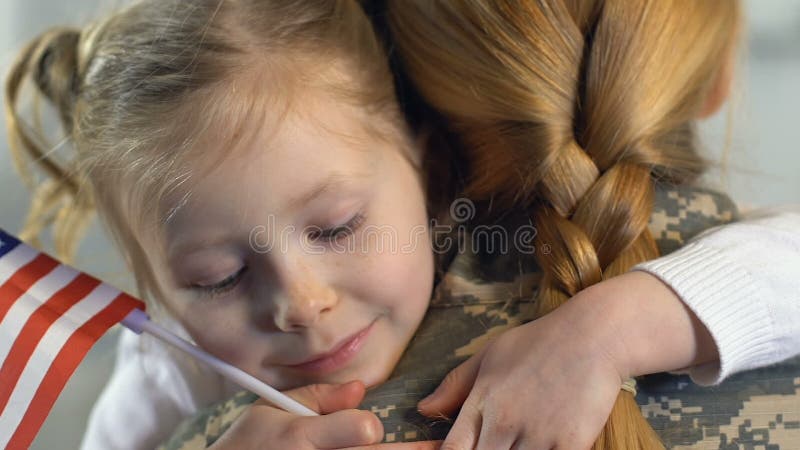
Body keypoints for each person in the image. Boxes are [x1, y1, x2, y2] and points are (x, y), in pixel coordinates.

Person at [2, 0, 797, 449]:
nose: (300, 302)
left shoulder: (491, 245)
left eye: (338, 226)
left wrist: (609, 330)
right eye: (217, 277)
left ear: (427, 169)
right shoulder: (173, 371)